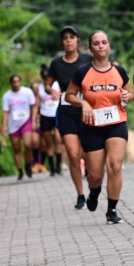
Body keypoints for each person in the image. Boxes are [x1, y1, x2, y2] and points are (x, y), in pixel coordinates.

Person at [65, 31, 134, 223]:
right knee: (95, 176)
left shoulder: (119, 71)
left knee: (115, 165)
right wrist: (84, 103)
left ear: (109, 46)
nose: (101, 46)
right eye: (96, 43)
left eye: (104, 42)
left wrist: (128, 97)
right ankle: (94, 191)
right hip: (92, 127)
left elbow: (131, 94)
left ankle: (111, 209)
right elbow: (69, 95)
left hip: (116, 124)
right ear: (90, 48)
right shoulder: (82, 72)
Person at [47, 26, 94, 209]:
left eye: (71, 37)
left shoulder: (88, 60)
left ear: (78, 40)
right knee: (74, 156)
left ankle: (93, 181)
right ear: (62, 42)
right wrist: (51, 89)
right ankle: (81, 195)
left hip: (88, 110)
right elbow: (47, 84)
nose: (68, 40)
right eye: (65, 38)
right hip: (66, 112)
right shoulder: (56, 63)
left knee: (87, 153)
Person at [2, 74, 38, 180]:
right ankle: (20, 170)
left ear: (20, 82)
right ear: (11, 83)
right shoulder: (7, 96)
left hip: (26, 120)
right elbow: (5, 112)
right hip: (13, 124)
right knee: (16, 148)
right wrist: (4, 127)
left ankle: (28, 165)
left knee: (28, 145)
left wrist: (34, 120)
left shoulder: (27, 92)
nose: (16, 84)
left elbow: (34, 106)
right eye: (14, 82)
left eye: (18, 81)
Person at [38, 65, 62, 176]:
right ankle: (52, 168)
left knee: (58, 140)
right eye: (44, 77)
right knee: (48, 143)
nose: (46, 79)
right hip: (45, 115)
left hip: (56, 114)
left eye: (47, 76)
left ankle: (58, 167)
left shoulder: (57, 85)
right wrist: (35, 119)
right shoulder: (39, 88)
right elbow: (37, 104)